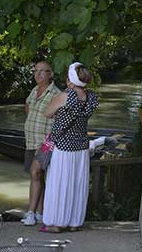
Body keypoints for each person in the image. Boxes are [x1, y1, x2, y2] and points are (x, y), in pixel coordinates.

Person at [40, 62, 99, 233]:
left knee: (59, 183)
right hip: (81, 146)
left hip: (63, 147)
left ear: (70, 80)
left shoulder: (66, 96)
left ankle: (56, 223)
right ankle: (74, 222)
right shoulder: (91, 97)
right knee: (77, 184)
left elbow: (47, 113)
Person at [22, 60, 61, 226]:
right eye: (36, 71)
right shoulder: (34, 90)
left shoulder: (57, 94)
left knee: (35, 173)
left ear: (50, 74)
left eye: (42, 71)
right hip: (30, 141)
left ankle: (30, 213)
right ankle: (39, 212)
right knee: (36, 176)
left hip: (45, 142)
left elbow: (60, 120)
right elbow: (27, 106)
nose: (37, 74)